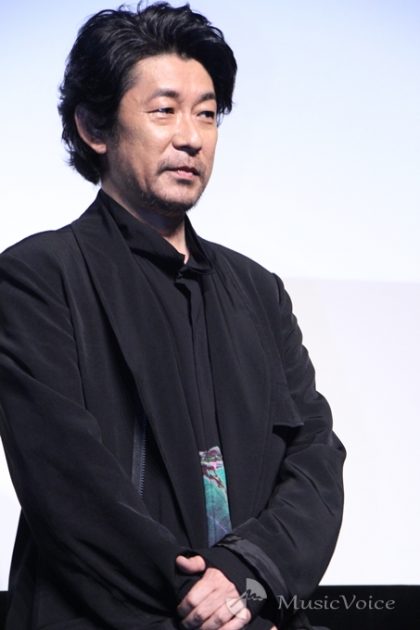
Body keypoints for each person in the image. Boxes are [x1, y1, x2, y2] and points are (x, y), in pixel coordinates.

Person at [0, 3, 345, 629]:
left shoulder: (258, 290)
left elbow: (315, 456)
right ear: (94, 127)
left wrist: (246, 574)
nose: (192, 137)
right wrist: (201, 600)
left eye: (207, 114)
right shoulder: (37, 277)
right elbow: (68, 485)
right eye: (164, 110)